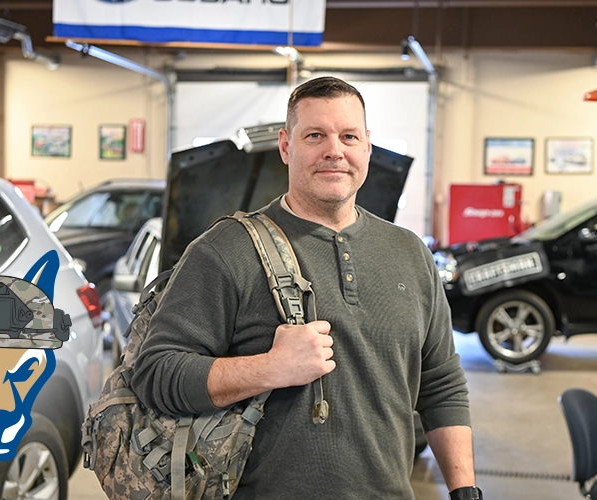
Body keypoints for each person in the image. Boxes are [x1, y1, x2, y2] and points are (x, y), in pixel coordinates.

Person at [132, 76, 479, 500]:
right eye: (315, 135)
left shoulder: (409, 252)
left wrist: (465, 490)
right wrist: (269, 368)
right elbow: (156, 374)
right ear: (285, 146)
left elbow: (441, 383)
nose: (335, 150)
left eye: (349, 136)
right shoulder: (224, 251)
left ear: (367, 146)